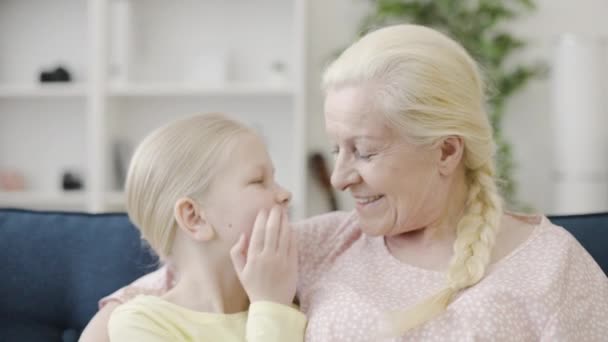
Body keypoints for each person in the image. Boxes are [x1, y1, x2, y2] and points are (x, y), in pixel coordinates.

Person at [81, 25, 608, 342]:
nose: (338, 176)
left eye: (366, 151)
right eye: (336, 148)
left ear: (447, 150)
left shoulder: (554, 266)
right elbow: (170, 289)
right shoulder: (323, 243)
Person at [104, 113, 306, 341]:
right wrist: (271, 307)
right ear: (194, 218)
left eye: (274, 178)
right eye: (258, 181)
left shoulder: (291, 308)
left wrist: (272, 305)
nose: (286, 194)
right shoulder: (141, 322)